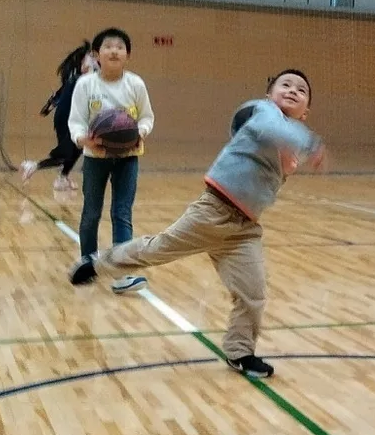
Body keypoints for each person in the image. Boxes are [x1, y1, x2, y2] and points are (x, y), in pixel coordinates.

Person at [70, 69, 325, 377]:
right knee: (154, 251)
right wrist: (309, 142)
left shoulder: (291, 141)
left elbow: (283, 157)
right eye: (285, 84)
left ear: (306, 109)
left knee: (253, 294)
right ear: (268, 94)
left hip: (244, 229)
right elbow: (269, 127)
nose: (293, 90)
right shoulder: (262, 112)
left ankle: (240, 352)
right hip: (212, 212)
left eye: (301, 90)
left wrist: (299, 145)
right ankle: (98, 263)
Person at [69, 27, 154, 295]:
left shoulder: (136, 84)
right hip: (96, 157)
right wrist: (85, 140)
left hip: (128, 158)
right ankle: (87, 263)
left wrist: (139, 133)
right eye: (108, 46)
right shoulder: (86, 85)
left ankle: (120, 271)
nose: (114, 50)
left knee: (122, 212)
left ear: (127, 55)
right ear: (96, 55)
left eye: (120, 47)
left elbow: (147, 118)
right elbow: (76, 122)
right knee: (91, 212)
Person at [20, 41, 97, 191]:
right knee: (65, 153)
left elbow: (58, 95)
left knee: (79, 148)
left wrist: (48, 108)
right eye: (91, 57)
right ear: (83, 61)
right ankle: (33, 166)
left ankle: (62, 178)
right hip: (67, 119)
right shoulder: (79, 79)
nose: (94, 60)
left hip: (71, 118)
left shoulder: (77, 78)